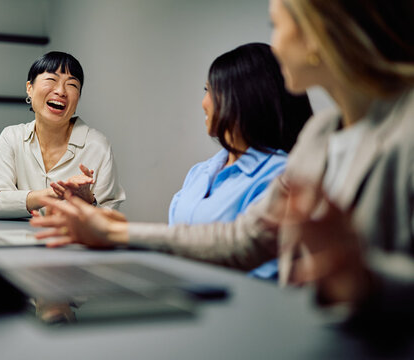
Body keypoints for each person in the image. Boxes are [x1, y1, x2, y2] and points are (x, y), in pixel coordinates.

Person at [31, 0, 414, 322]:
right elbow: (248, 238)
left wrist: (367, 279)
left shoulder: (404, 127)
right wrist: (111, 229)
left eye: (277, 27)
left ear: (318, 33)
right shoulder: (322, 135)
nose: (275, 47)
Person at [167, 43, 312, 279]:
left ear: (244, 97)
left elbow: (263, 271)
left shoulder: (283, 177)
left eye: (211, 91)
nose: (204, 103)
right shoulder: (199, 173)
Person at [0, 51, 125, 219]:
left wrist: (90, 201)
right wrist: (53, 194)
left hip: (73, 243)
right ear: (30, 88)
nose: (61, 91)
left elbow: (109, 218)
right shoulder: (11, 137)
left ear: (78, 97)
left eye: (72, 85)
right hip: (20, 240)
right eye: (51, 80)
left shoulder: (98, 146)